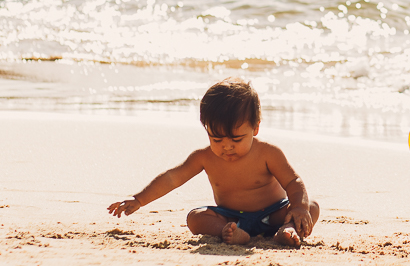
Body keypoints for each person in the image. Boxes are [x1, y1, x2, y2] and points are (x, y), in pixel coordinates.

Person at [107, 77, 320, 247]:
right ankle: (230, 234)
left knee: (311, 206)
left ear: (255, 128)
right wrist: (139, 199)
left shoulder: (268, 153)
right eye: (216, 139)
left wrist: (299, 208)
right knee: (195, 218)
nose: (227, 146)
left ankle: (288, 229)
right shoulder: (204, 157)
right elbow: (172, 179)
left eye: (236, 139)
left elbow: (293, 182)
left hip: (274, 214)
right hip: (231, 218)